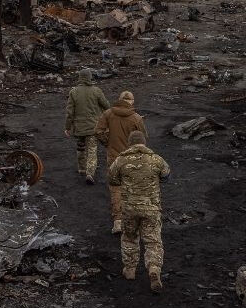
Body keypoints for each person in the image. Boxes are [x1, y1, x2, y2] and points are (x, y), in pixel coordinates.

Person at [108, 131, 170, 293]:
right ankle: (154, 269)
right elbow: (166, 174)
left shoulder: (120, 160)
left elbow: (112, 179)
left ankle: (129, 270)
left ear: (130, 143)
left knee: (129, 238)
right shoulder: (156, 159)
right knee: (153, 240)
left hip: (129, 209)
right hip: (151, 208)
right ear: (144, 143)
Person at [95, 91, 147, 234]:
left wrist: (108, 143)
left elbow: (98, 131)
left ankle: (117, 221)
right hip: (133, 158)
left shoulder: (108, 114)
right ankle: (134, 220)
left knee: (115, 187)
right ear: (131, 102)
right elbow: (143, 139)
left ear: (119, 100)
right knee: (134, 186)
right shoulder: (136, 118)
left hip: (114, 156)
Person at [65, 69, 109, 184]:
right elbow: (107, 106)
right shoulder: (96, 91)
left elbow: (69, 112)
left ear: (80, 78)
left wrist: (67, 127)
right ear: (90, 78)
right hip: (93, 127)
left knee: (80, 148)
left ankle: (81, 168)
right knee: (92, 150)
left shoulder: (73, 92)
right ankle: (90, 173)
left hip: (78, 128)